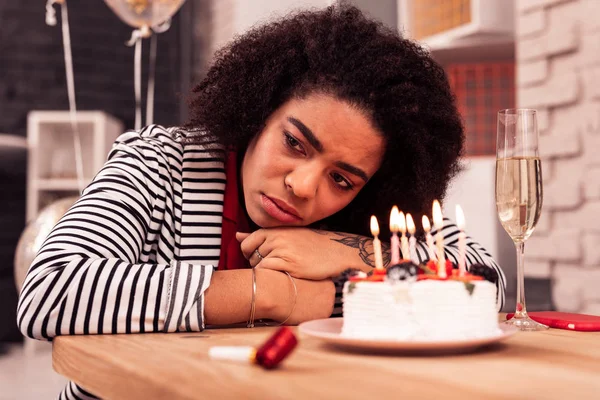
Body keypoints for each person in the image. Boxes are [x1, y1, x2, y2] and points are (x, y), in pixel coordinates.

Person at [17, 4, 505, 399]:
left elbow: (485, 281)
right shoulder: (158, 161)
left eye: (342, 178)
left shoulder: (369, 213)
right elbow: (50, 292)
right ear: (259, 111)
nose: (304, 185)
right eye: (295, 143)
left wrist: (351, 253)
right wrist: (272, 293)